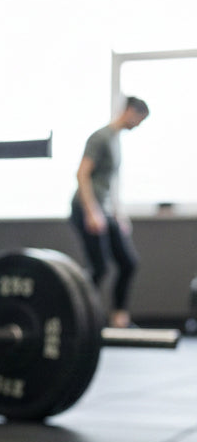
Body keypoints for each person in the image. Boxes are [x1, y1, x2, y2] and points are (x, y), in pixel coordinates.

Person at [71, 96, 149, 329]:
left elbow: (108, 183)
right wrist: (91, 212)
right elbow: (82, 174)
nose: (138, 125)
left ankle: (119, 319)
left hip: (104, 210)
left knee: (128, 262)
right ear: (130, 111)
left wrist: (117, 212)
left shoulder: (115, 140)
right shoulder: (100, 137)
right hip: (86, 207)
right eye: (139, 119)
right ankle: (79, 318)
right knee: (100, 268)